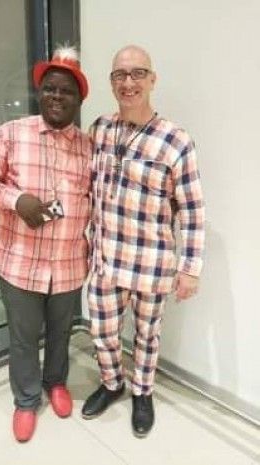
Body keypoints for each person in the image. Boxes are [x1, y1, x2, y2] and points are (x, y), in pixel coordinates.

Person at [81, 45, 205, 438]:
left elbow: (192, 209)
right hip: (105, 259)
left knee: (148, 336)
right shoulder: (99, 129)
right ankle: (113, 382)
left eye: (138, 73)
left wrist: (190, 269)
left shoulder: (176, 140)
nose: (128, 82)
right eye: (120, 74)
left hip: (152, 263)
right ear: (111, 82)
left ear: (153, 79)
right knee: (101, 330)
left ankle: (142, 392)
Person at [0, 46, 91, 442]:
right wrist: (15, 199)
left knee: (61, 332)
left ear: (79, 99)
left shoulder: (90, 148)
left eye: (66, 91)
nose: (57, 96)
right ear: (40, 94)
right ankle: (25, 400)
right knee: (23, 337)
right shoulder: (11, 133)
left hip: (69, 262)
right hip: (20, 261)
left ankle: (55, 382)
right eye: (50, 89)